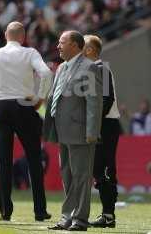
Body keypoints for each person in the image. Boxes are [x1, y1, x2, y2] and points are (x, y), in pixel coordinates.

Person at [0, 21, 53, 222]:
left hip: (2, 106)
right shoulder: (30, 53)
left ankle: (5, 211)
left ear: (6, 34)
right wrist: (40, 97)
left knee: (3, 161)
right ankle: (40, 210)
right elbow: (46, 73)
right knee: (34, 158)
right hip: (25, 105)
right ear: (23, 36)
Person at [44, 30, 103, 231]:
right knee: (67, 176)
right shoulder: (61, 68)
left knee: (81, 177)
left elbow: (94, 103)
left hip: (81, 133)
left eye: (62, 42)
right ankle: (67, 217)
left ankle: (79, 219)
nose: (58, 46)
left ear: (76, 45)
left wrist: (92, 132)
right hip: (62, 131)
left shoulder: (90, 67)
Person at [83, 34, 122, 228]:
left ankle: (108, 215)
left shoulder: (101, 69)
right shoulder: (93, 69)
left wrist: (94, 123)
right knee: (98, 170)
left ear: (90, 50)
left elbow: (107, 99)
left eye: (83, 46)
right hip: (101, 124)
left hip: (106, 125)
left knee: (104, 169)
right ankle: (107, 214)